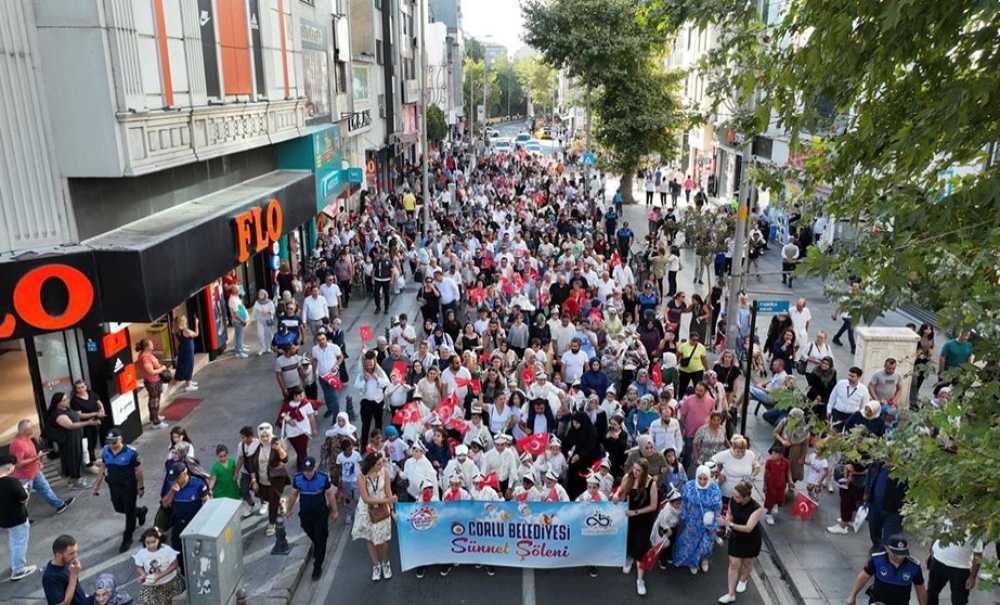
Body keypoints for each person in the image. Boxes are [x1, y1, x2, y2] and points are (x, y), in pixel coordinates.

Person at [92, 428, 149, 553]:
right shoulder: (106, 451)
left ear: (120, 439)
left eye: (114, 441)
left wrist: (140, 487)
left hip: (128, 486)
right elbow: (103, 467)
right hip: (113, 485)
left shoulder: (131, 453)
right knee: (118, 508)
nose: (111, 444)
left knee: (129, 513)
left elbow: (139, 471)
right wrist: (97, 485)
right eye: (109, 441)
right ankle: (140, 512)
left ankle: (127, 538)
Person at [287, 456, 339, 581]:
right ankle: (318, 544)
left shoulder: (322, 478)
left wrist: (335, 511)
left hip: (320, 513)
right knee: (313, 534)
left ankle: (317, 566)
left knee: (320, 539)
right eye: (306, 470)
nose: (308, 473)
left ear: (315, 468)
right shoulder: (298, 479)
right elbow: (293, 494)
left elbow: (330, 495)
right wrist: (289, 509)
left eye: (310, 470)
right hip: (305, 514)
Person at [10, 418, 73, 514]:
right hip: (24, 477)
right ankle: (21, 519)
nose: (34, 428)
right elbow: (18, 464)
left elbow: (32, 454)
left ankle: (60, 505)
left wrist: (38, 462)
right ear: (25, 430)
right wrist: (37, 458)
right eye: (32, 427)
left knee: (46, 489)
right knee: (23, 499)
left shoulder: (28, 438)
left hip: (35, 472)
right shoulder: (17, 444)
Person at [615, 459, 658, 595]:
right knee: (629, 539)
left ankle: (640, 579)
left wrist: (636, 512)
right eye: (634, 469)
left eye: (639, 470)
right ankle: (629, 557)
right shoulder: (628, 477)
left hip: (643, 518)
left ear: (645, 471)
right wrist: (616, 495)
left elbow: (653, 506)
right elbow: (620, 492)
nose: (635, 472)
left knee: (641, 546)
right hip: (629, 517)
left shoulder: (651, 483)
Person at [846, 535, 927, 605]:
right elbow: (864, 576)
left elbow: (921, 589)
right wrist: (853, 596)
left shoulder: (914, 566)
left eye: (902, 553)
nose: (900, 557)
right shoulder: (876, 559)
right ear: (887, 548)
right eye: (896, 553)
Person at [718, 481, 764, 603]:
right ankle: (731, 594)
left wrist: (729, 524)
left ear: (747, 497)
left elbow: (749, 528)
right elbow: (729, 513)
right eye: (734, 495)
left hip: (750, 539)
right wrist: (728, 524)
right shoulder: (733, 500)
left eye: (737, 496)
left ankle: (744, 579)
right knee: (733, 564)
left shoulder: (757, 508)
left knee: (747, 563)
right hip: (736, 536)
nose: (734, 498)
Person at [353, 452, 397, 582]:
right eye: (379, 464)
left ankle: (385, 562)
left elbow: (388, 492)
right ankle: (376, 565)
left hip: (382, 510)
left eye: (382, 463)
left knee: (383, 540)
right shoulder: (362, 477)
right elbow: (366, 499)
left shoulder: (385, 473)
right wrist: (386, 500)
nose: (381, 465)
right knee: (371, 539)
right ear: (371, 465)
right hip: (367, 511)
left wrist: (392, 510)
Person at [242, 422, 289, 536]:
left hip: (275, 479)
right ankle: (280, 502)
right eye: (262, 436)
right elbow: (251, 465)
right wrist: (253, 480)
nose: (265, 438)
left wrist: (278, 449)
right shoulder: (255, 446)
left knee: (272, 503)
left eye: (267, 436)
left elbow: (285, 459)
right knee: (266, 498)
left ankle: (271, 524)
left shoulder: (277, 442)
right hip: (261, 479)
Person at [674, 465, 723, 575]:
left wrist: (714, 523)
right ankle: (693, 563)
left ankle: (704, 560)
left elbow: (718, 508)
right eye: (700, 478)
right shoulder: (690, 486)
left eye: (705, 478)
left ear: (709, 477)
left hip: (708, 522)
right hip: (693, 521)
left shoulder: (714, 488)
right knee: (691, 542)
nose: (702, 481)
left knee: (706, 544)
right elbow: (685, 502)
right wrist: (684, 516)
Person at [160, 461, 209, 560]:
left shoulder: (197, 484)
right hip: (178, 523)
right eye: (173, 479)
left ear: (184, 473)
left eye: (177, 478)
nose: (175, 481)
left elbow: (206, 502)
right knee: (178, 550)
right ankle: (182, 571)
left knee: (196, 550)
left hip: (194, 524)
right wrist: (172, 491)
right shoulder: (171, 484)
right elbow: (164, 504)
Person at [49, 392, 99, 489]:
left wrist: (93, 415)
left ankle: (73, 481)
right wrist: (88, 423)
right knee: (73, 460)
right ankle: (75, 481)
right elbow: (70, 426)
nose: (67, 400)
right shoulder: (58, 414)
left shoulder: (67, 408)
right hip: (69, 441)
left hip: (76, 438)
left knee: (78, 458)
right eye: (64, 400)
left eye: (66, 398)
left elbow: (77, 416)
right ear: (58, 403)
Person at [1, 455, 36, 581]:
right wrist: (25, 490)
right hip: (17, 517)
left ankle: (15, 564)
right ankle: (18, 570)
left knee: (14, 542)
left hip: (4, 519)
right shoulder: (11, 482)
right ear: (9, 467)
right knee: (19, 543)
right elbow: (23, 497)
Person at [927, 529, 983, 605]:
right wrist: (931, 552)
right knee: (931, 594)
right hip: (938, 562)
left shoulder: (975, 527)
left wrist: (972, 576)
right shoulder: (945, 517)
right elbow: (937, 533)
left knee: (959, 601)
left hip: (960, 569)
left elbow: (978, 554)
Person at [133, 528, 183, 605]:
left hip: (167, 581)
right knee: (150, 601)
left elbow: (174, 565)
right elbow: (139, 566)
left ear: (159, 540)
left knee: (167, 600)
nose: (151, 545)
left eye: (153, 542)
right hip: (152, 583)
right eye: (148, 543)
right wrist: (143, 574)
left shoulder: (166, 550)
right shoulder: (142, 553)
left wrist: (159, 576)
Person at [354, 350, 390, 450]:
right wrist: (364, 381)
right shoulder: (362, 373)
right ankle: (364, 446)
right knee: (366, 425)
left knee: (378, 424)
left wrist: (378, 378)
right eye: (367, 365)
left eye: (371, 364)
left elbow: (387, 383)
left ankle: (378, 444)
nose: (369, 367)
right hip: (366, 402)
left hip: (378, 402)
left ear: (374, 363)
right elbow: (356, 386)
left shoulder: (379, 371)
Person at [68, 380, 106, 468]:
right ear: (75, 389)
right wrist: (95, 413)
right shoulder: (75, 400)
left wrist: (101, 409)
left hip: (96, 421)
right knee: (87, 443)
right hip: (85, 424)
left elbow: (98, 401)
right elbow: (80, 415)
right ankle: (89, 463)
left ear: (86, 386)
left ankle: (94, 459)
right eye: (79, 388)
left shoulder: (90, 393)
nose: (81, 389)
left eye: (83, 387)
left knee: (94, 440)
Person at [43, 535, 88, 605]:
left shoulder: (67, 563)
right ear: (58, 555)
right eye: (71, 553)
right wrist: (74, 575)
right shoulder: (50, 577)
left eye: (76, 552)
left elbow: (74, 588)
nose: (75, 556)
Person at [136, 339, 171, 429]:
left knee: (155, 400)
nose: (153, 344)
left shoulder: (148, 355)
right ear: (147, 347)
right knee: (154, 402)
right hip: (152, 382)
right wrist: (162, 368)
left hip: (155, 381)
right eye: (151, 344)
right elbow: (151, 372)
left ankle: (154, 417)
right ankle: (156, 422)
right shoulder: (145, 358)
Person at [762, 445, 792, 525]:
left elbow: (788, 472)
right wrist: (764, 485)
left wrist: (790, 481)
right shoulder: (769, 462)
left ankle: (775, 505)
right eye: (772, 453)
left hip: (781, 485)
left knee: (779, 498)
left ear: (781, 455)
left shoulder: (786, 462)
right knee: (770, 500)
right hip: (771, 485)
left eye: (775, 454)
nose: (772, 455)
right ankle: (768, 514)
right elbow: (766, 473)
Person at [173, 316, 199, 391]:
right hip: (188, 349)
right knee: (189, 365)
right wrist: (196, 324)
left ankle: (189, 381)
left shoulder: (176, 330)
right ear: (183, 322)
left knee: (186, 364)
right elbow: (196, 334)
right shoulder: (185, 331)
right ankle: (189, 385)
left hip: (183, 349)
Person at [252, 289, 278, 356]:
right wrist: (255, 316)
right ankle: (263, 347)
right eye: (259, 294)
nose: (260, 295)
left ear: (265, 295)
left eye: (262, 294)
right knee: (260, 334)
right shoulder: (257, 302)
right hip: (260, 320)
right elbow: (254, 311)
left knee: (268, 334)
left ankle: (269, 347)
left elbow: (273, 310)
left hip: (268, 320)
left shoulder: (269, 302)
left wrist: (268, 312)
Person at [227, 285, 250, 357]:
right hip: (238, 321)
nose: (240, 291)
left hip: (240, 320)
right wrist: (242, 320)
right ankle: (239, 352)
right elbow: (236, 314)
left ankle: (240, 347)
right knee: (239, 336)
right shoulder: (233, 300)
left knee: (239, 335)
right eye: (238, 290)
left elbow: (240, 306)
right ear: (235, 291)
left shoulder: (235, 297)